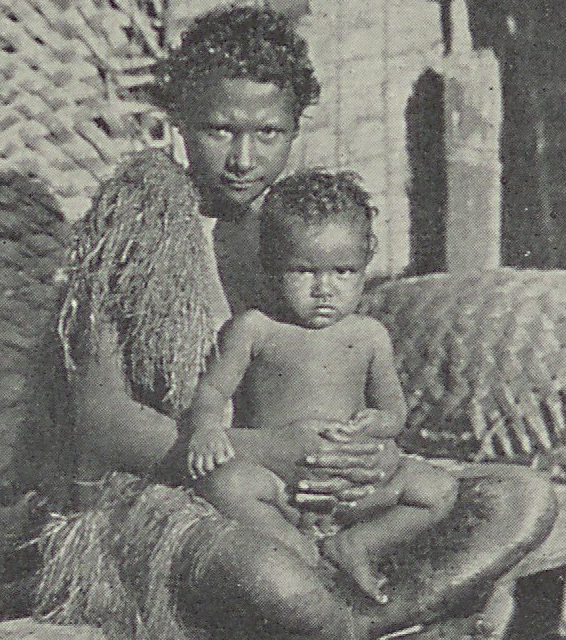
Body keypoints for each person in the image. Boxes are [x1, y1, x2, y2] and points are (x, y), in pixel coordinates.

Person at [38, 6, 556, 640]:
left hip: (320, 498)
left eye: (268, 134)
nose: (244, 159)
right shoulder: (135, 231)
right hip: (178, 494)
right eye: (220, 130)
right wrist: (264, 450)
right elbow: (99, 424)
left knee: (521, 500)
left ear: (296, 128)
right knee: (278, 583)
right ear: (179, 121)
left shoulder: (302, 230)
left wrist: (363, 451)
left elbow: (344, 377)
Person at [186, 170, 459, 603]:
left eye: (343, 271)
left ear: (366, 263)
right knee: (227, 486)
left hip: (354, 492)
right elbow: (212, 392)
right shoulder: (255, 330)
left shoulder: (368, 335)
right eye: (303, 271)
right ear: (271, 263)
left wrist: (376, 423)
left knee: (436, 489)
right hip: (281, 488)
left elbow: (394, 413)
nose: (324, 289)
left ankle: (357, 544)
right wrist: (206, 428)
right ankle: (304, 558)